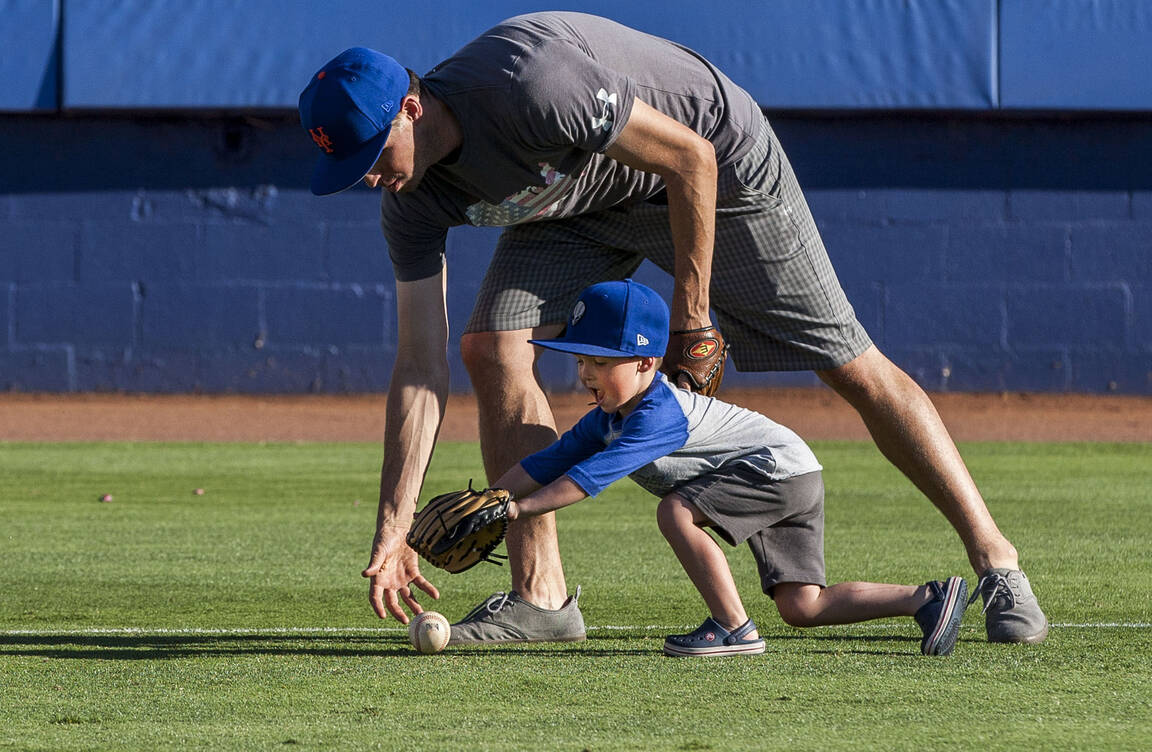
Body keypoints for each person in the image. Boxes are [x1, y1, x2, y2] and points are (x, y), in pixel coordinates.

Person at [297, 12, 1047, 645]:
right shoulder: (411, 201)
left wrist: (692, 322)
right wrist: (393, 527)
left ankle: (996, 560)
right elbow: (420, 366)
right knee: (489, 345)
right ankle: (542, 598)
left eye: (371, 155)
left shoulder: (530, 83)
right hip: (582, 207)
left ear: (411, 108)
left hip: (713, 165)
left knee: (846, 361)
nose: (369, 177)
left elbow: (691, 159)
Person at [476, 279, 968, 656]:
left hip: (775, 469)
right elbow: (548, 462)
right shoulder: (606, 419)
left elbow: (585, 480)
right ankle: (926, 598)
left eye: (602, 362)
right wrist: (490, 498)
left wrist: (515, 512)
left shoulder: (657, 416)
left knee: (676, 512)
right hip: (793, 469)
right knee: (802, 606)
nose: (586, 373)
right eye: (583, 360)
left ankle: (732, 627)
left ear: (647, 363)